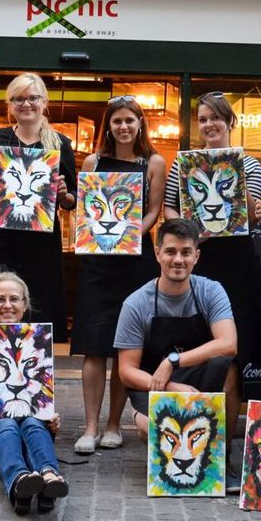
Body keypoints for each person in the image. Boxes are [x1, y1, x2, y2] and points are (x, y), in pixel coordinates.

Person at [72, 96, 166, 455]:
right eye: (116, 122)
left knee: (125, 347)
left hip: (134, 260)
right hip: (97, 263)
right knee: (94, 347)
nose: (123, 127)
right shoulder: (93, 161)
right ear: (107, 126)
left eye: (129, 120)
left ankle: (114, 424)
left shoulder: (154, 162)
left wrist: (129, 236)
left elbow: (154, 211)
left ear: (140, 123)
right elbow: (86, 212)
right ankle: (90, 426)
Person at [163, 91, 261, 398]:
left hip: (239, 259)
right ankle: (199, 396)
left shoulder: (249, 163)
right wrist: (188, 231)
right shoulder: (184, 163)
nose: (209, 125)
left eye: (215, 118)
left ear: (229, 121)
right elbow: (170, 207)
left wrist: (236, 173)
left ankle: (238, 402)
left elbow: (256, 215)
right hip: (201, 257)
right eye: (203, 119)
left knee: (239, 326)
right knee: (199, 326)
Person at [114, 217, 239, 446]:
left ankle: (224, 455)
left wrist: (172, 361)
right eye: (171, 252)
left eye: (186, 252)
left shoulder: (211, 291)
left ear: (196, 256)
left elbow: (228, 344)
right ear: (158, 253)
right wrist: (169, 386)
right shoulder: (136, 303)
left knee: (229, 368)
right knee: (148, 429)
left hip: (195, 377)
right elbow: (126, 370)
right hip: (153, 385)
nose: (178, 260)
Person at [0, 73, 77, 343]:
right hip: (2, 241)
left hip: (42, 244)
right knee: (0, 311)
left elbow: (73, 200)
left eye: (33, 98)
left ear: (44, 102)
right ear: (10, 105)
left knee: (41, 315)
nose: (26, 104)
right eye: (19, 99)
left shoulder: (59, 143)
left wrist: (64, 195)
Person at [0, 271, 68, 516]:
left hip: (31, 431)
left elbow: (41, 403)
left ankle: (49, 477)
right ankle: (19, 480)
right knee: (6, 424)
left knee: (32, 422)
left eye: (14, 299)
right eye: (0, 299)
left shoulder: (39, 344)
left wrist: (52, 418)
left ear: (24, 304)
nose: (7, 305)